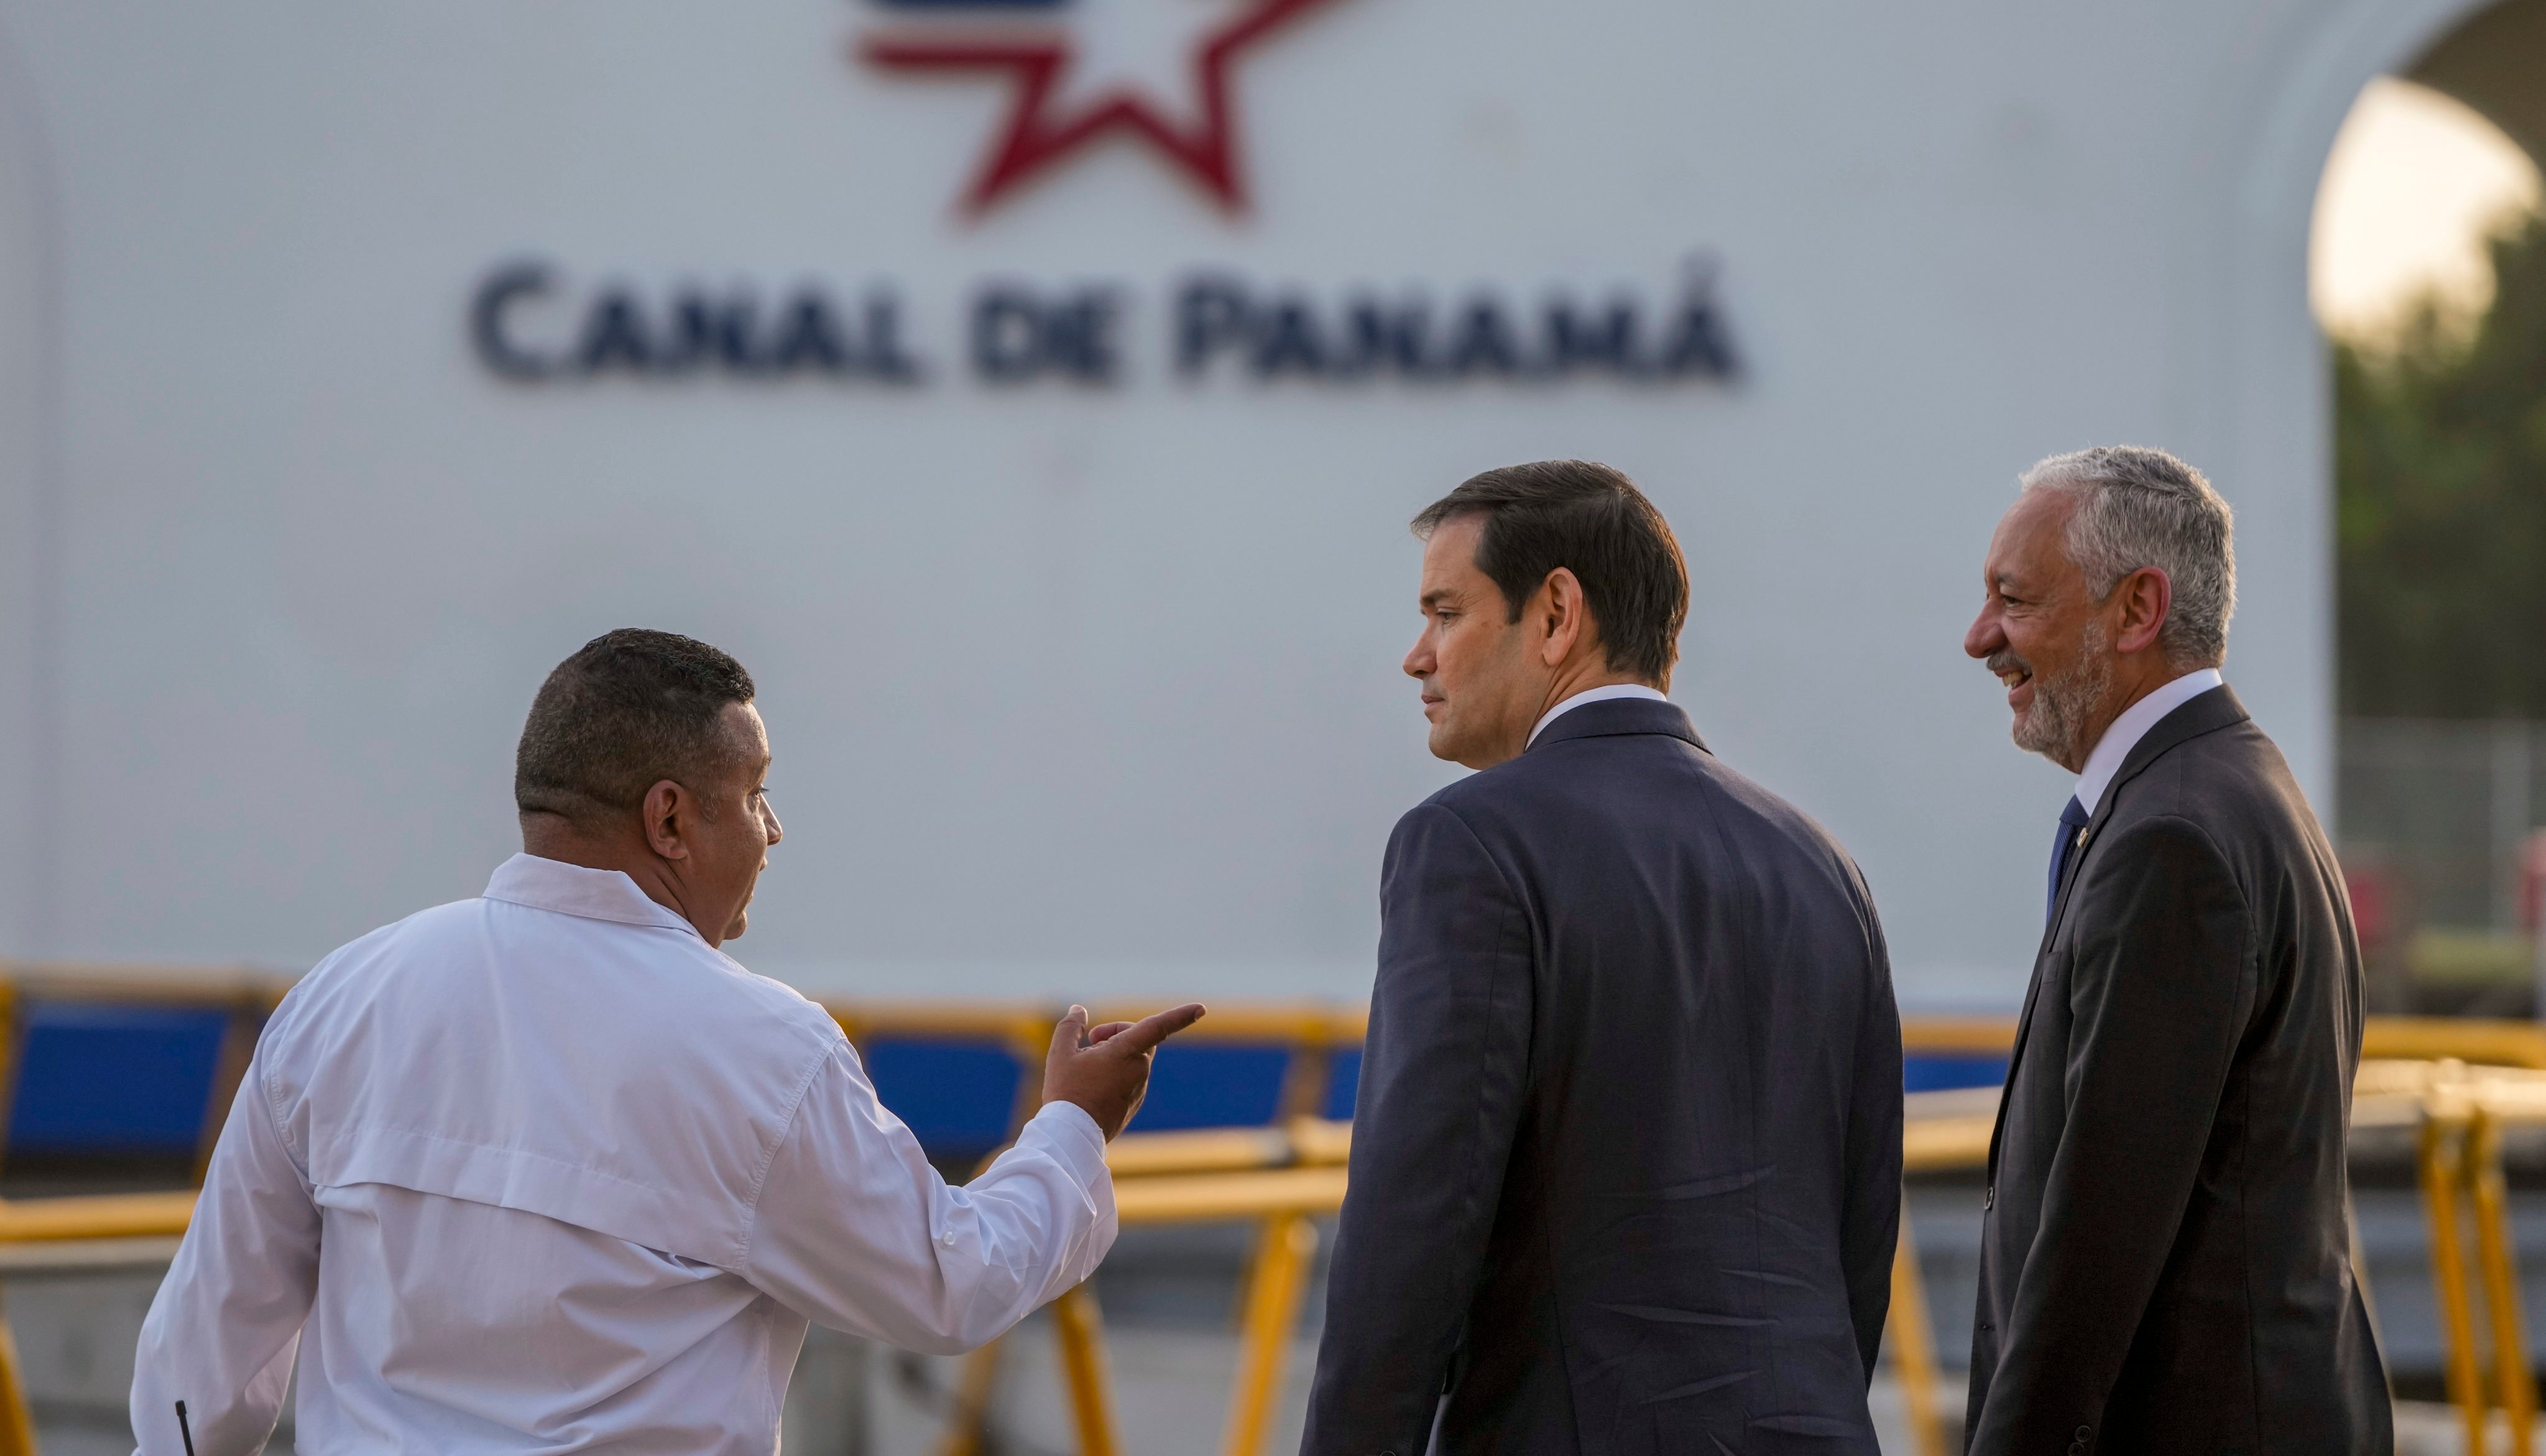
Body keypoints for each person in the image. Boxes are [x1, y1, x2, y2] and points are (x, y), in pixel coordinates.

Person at [129, 628, 1202, 1455]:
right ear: (672, 821)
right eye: (759, 793)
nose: (775, 832)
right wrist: (1072, 1126)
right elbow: (946, 1282)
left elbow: (207, 1357)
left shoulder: (342, 998)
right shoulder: (762, 1049)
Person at [1303, 461, 1903, 1456]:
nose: (1418, 656)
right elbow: (1859, 1223)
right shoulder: (1821, 861)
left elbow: (1414, 1226)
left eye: (1446, 612)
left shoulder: (1469, 843)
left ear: (1555, 614)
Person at [1961, 448, 2388, 1454]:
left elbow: (2097, 1244)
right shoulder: (2234, 788)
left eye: (2012, 600)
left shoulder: (2173, 838)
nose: (1980, 638)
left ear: (2136, 608)